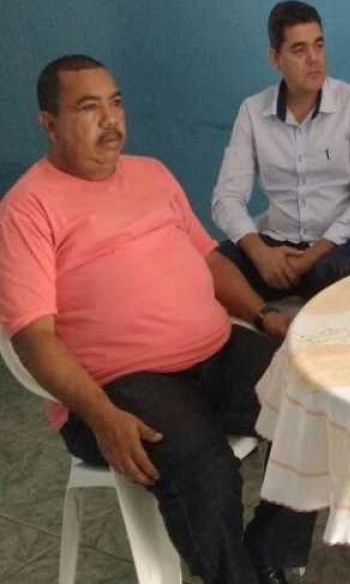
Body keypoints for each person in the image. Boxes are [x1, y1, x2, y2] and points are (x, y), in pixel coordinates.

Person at [0, 55, 316, 584]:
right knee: (206, 471)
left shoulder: (152, 173)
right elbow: (33, 336)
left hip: (215, 351)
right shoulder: (27, 209)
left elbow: (210, 260)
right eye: (88, 107)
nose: (111, 119)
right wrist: (100, 415)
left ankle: (267, 553)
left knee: (318, 403)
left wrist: (261, 317)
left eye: (116, 103)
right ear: (49, 124)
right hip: (120, 386)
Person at [212, 0, 350, 300]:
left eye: (319, 46)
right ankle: (265, 321)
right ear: (275, 58)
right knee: (211, 268)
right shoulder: (253, 111)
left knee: (334, 278)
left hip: (334, 247)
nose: (314, 59)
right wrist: (260, 254)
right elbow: (226, 198)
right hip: (275, 245)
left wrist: (312, 256)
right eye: (299, 50)